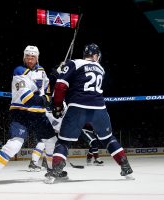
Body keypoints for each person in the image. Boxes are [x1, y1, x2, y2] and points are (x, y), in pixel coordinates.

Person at [45, 43, 134, 183]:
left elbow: (61, 86)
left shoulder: (74, 63)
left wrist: (57, 105)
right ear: (96, 55)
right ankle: (125, 165)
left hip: (77, 107)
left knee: (64, 141)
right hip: (99, 109)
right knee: (108, 138)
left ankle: (56, 169)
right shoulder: (101, 69)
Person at [0, 45, 57, 185]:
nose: (30, 59)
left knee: (51, 141)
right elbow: (27, 98)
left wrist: (55, 77)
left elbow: (46, 89)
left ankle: (52, 170)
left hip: (38, 114)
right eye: (27, 56)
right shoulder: (19, 71)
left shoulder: (42, 71)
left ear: (37, 58)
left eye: (33, 57)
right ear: (24, 57)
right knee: (15, 144)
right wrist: (46, 100)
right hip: (21, 113)